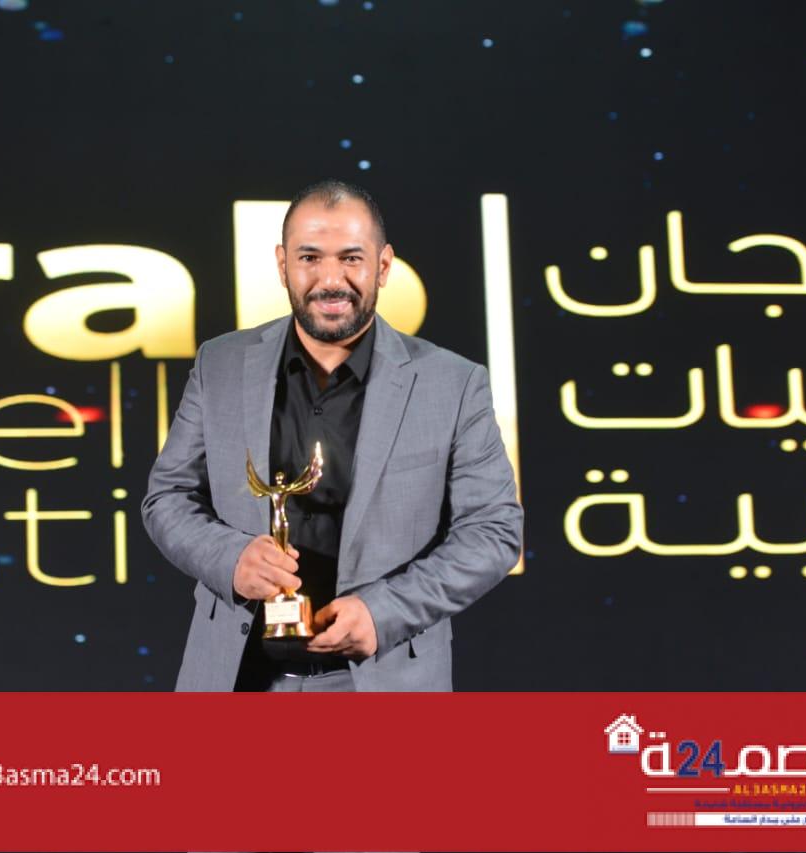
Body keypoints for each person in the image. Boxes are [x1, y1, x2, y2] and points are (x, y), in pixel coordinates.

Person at [141, 180, 523, 692]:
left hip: (384, 685)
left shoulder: (452, 384)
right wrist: (229, 559)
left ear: (383, 266)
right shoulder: (221, 364)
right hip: (236, 681)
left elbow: (493, 531)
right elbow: (167, 496)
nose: (330, 280)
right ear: (282, 265)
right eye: (309, 258)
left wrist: (385, 611)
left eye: (350, 259)